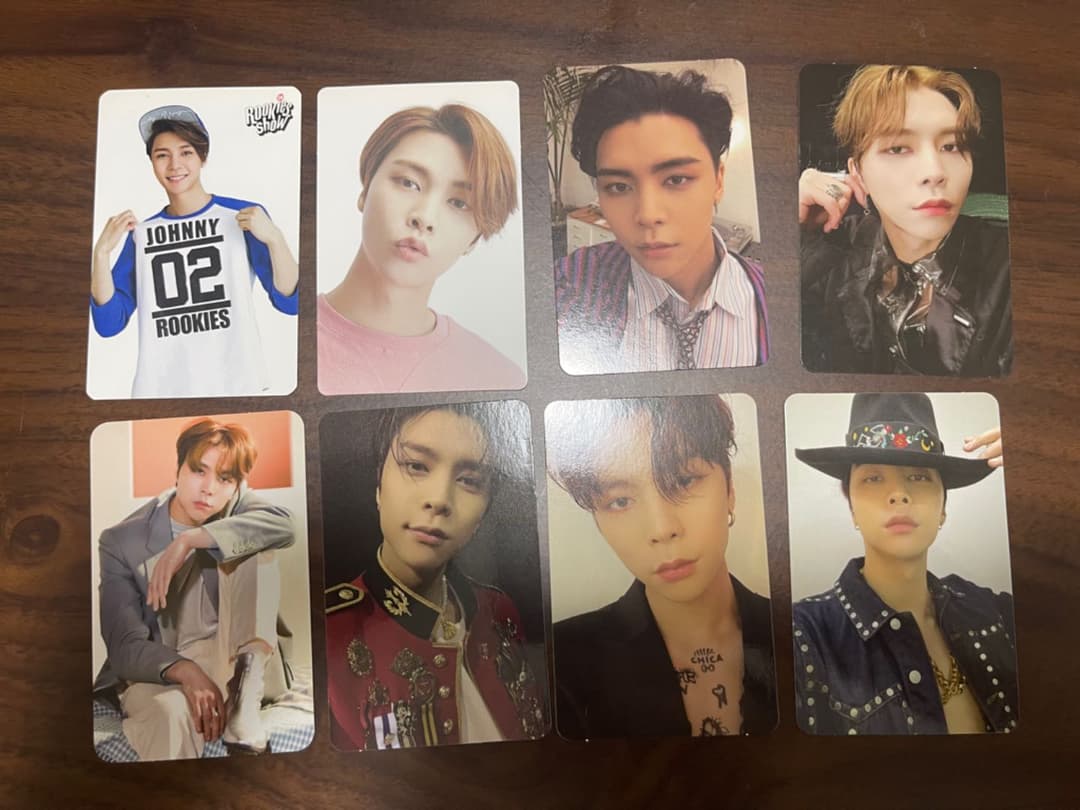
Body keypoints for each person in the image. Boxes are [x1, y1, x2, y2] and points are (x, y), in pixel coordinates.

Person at [546, 396, 776, 738]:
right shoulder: (559, 662)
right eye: (620, 501)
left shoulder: (806, 634)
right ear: (598, 521)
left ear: (729, 490)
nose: (662, 528)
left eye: (684, 480)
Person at [792, 393, 1018, 735]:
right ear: (851, 507)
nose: (898, 494)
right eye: (873, 478)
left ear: (943, 507)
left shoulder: (997, 612)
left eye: (919, 477)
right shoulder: (803, 637)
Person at [324, 403, 545, 749]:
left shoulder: (498, 612)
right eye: (416, 466)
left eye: (469, 481)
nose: (440, 500)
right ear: (378, 484)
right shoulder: (331, 631)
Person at [93, 418, 296, 760]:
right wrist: (186, 672)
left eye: (224, 478)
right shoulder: (120, 541)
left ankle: (244, 703)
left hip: (235, 660)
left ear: (237, 486)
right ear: (178, 469)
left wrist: (191, 540)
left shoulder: (239, 508)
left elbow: (286, 525)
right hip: (164, 668)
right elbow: (124, 646)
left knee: (257, 547)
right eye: (199, 471)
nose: (209, 489)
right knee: (169, 713)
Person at [554, 65, 769, 375]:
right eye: (619, 187)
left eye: (676, 179)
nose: (648, 215)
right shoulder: (570, 286)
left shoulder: (776, 298)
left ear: (718, 180)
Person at [799, 64, 1012, 376]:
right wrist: (795, 238)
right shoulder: (833, 251)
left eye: (951, 146)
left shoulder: (1011, 270)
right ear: (858, 173)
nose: (935, 172)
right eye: (898, 148)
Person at [90, 104, 299, 398]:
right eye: (162, 155)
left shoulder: (242, 216)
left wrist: (275, 239)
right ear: (151, 162)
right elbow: (109, 324)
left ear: (203, 157)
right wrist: (101, 254)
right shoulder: (141, 236)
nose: (175, 165)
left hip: (236, 383)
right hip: (162, 392)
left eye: (186, 152)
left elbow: (291, 303)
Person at [318, 104, 526, 394]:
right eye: (409, 183)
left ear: (474, 239)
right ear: (365, 191)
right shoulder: (285, 337)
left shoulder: (500, 380)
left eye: (459, 203)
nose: (425, 218)